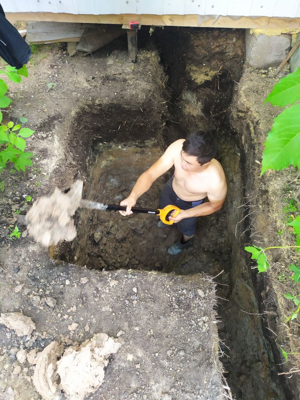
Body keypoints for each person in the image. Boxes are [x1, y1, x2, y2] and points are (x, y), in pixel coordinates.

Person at [120, 131, 227, 255]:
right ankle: (164, 220)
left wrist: (185, 214)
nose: (181, 164)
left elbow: (215, 205)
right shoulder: (177, 147)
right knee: (163, 207)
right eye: (182, 157)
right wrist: (133, 196)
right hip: (171, 190)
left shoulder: (215, 181)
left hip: (190, 205)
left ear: (205, 164)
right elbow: (151, 174)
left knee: (187, 228)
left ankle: (184, 243)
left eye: (188, 163)